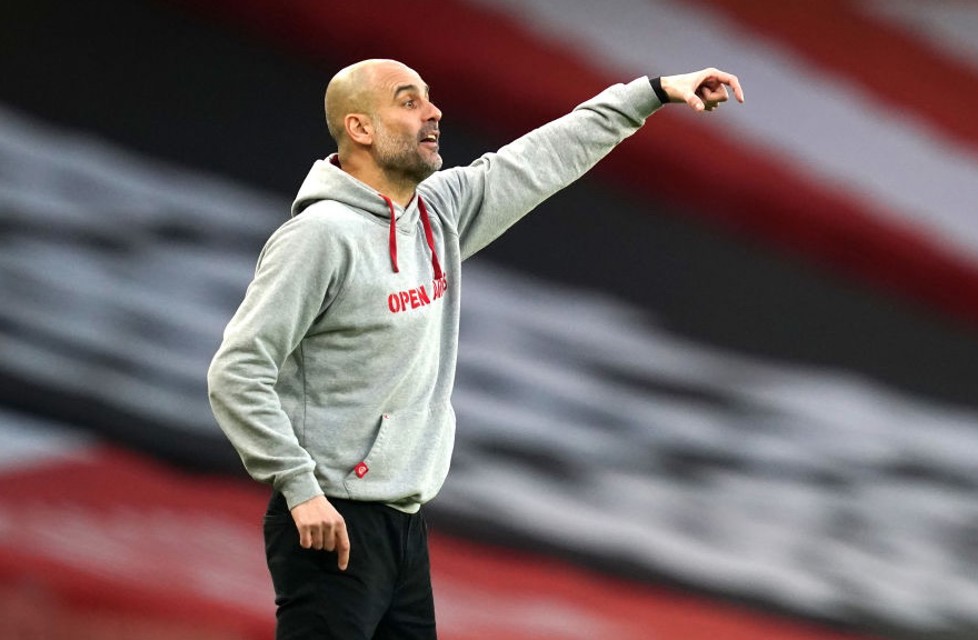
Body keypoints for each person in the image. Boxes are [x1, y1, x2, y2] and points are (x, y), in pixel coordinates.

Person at [207, 58, 744, 639]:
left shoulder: (438, 212)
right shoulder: (320, 236)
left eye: (430, 99)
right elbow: (238, 370)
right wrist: (299, 488)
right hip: (331, 520)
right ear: (360, 129)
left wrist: (655, 92)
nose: (433, 112)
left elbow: (542, 156)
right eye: (409, 101)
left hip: (404, 524)